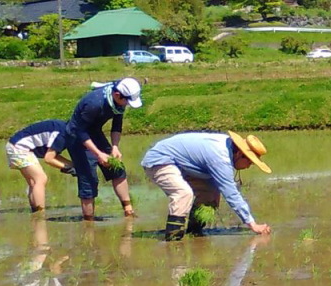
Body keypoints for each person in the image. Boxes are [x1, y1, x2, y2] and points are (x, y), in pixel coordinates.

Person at [140, 131, 273, 240]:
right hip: (160, 160)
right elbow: (231, 194)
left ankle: (194, 230)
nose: (249, 167)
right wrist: (252, 224)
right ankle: (173, 239)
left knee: (211, 193)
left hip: (182, 164)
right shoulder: (220, 157)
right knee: (183, 193)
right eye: (249, 162)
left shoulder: (228, 147)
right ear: (240, 154)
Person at [67, 78, 142, 220]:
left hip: (94, 132)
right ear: (117, 95)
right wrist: (98, 154)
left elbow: (117, 125)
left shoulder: (119, 100)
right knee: (89, 179)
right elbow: (80, 131)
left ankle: (128, 211)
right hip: (76, 137)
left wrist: (115, 147)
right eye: (127, 101)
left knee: (117, 169)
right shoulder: (94, 104)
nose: (127, 105)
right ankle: (89, 222)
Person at [6, 119, 76, 213]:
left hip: (14, 146)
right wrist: (68, 168)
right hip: (20, 148)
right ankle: (40, 213)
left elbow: (52, 154)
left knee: (33, 182)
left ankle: (35, 211)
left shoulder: (63, 129)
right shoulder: (62, 135)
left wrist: (72, 165)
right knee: (40, 178)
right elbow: (49, 159)